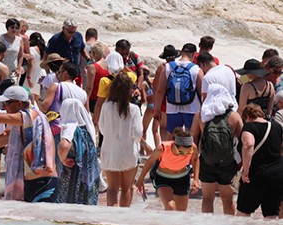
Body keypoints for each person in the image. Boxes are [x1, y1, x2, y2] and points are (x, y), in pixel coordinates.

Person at [191, 84, 243, 214]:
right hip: (227, 161)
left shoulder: (201, 115)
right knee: (227, 199)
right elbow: (243, 139)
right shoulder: (234, 116)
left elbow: (192, 141)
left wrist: (193, 163)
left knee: (207, 199)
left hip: (207, 160)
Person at [99, 72, 143, 207]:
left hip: (110, 151)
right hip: (128, 152)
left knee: (112, 188)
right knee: (126, 187)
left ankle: (111, 217)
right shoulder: (134, 109)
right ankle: (124, 217)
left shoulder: (106, 107)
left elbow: (101, 129)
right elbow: (138, 133)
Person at [136, 127, 200, 211]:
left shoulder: (193, 148)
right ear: (174, 145)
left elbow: (195, 159)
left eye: (188, 152)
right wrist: (141, 179)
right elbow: (150, 162)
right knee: (170, 207)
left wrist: (196, 179)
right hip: (163, 178)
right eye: (181, 152)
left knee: (181, 213)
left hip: (182, 179)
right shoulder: (162, 148)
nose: (184, 155)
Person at [237, 104, 283, 219]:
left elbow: (249, 144)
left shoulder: (249, 127)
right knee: (271, 214)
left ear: (247, 116)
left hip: (256, 175)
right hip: (278, 174)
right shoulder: (277, 126)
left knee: (243, 212)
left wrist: (245, 171)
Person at [56, 98, 101, 205]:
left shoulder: (71, 128)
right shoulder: (86, 130)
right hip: (89, 180)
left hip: (73, 179)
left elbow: (64, 145)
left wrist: (62, 159)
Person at [153, 43, 204, 136]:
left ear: (181, 53)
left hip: (172, 109)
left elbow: (160, 90)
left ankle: (170, 151)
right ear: (194, 54)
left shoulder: (168, 67)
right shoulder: (196, 69)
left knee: (172, 137)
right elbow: (203, 93)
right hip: (192, 109)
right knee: (192, 138)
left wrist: (156, 109)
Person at [44, 19, 89, 84]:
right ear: (63, 29)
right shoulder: (55, 40)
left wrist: (89, 59)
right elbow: (46, 57)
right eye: (70, 32)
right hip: (62, 76)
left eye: (74, 32)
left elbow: (82, 49)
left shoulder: (78, 36)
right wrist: (48, 75)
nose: (72, 34)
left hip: (76, 73)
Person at [85, 43, 110, 114]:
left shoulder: (93, 67)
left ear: (94, 53)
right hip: (106, 99)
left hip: (94, 100)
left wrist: (85, 101)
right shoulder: (109, 66)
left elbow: (89, 87)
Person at [27, 32, 46, 102]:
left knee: (30, 97)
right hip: (41, 73)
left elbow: (31, 65)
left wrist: (28, 78)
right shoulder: (43, 49)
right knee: (38, 97)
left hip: (32, 74)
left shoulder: (32, 49)